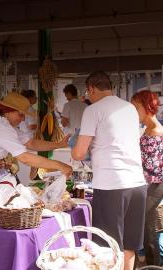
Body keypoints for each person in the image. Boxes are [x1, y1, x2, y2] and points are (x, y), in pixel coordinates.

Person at [71, 71, 147, 270]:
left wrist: (72, 147)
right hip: (137, 183)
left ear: (92, 89)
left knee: (108, 246)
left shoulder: (93, 110)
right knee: (130, 244)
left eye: (88, 93)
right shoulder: (130, 108)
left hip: (111, 183)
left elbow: (79, 153)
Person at [131, 90, 163, 266]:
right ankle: (153, 265)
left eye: (136, 107)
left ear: (146, 106)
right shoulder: (147, 130)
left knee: (140, 221)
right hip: (146, 184)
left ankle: (141, 263)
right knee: (147, 226)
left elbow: (154, 166)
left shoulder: (158, 131)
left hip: (156, 184)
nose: (134, 111)